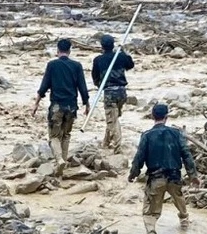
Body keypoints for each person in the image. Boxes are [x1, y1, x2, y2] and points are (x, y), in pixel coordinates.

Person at [129, 102, 198, 234]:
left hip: (156, 178)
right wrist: (193, 175)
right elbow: (186, 155)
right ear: (167, 117)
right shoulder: (176, 133)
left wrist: (133, 173)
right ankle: (184, 220)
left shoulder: (147, 136)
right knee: (179, 198)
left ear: (152, 116)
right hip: (174, 177)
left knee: (150, 210)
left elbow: (139, 157)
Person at [34, 38, 91, 166]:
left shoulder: (52, 65)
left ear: (57, 51)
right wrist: (87, 105)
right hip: (71, 107)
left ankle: (59, 160)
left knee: (54, 136)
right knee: (66, 135)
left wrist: (36, 103)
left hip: (57, 106)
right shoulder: (77, 66)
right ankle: (63, 163)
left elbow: (44, 86)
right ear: (69, 51)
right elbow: (82, 87)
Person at [91, 33, 137, 152]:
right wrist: (124, 52)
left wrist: (99, 85)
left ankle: (118, 147)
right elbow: (130, 65)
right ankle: (106, 142)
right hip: (122, 92)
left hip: (109, 92)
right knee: (113, 118)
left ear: (101, 46)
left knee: (113, 119)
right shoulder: (120, 56)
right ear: (113, 45)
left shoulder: (98, 60)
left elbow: (95, 77)